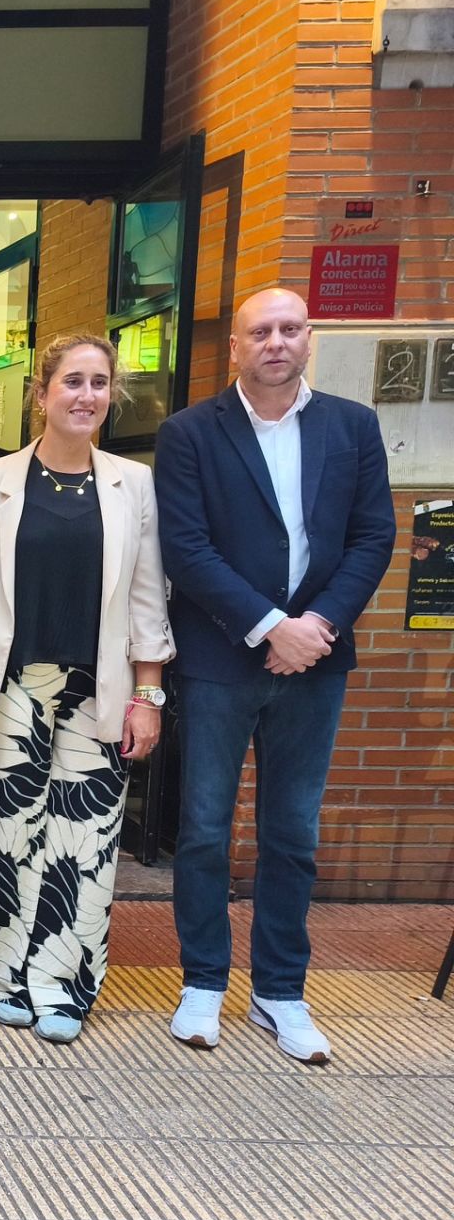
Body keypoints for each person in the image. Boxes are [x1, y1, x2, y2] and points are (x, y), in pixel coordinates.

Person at [155, 287, 395, 1064]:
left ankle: (281, 991)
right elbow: (187, 549)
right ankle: (202, 982)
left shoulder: (352, 428)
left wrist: (315, 627)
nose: (276, 343)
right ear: (235, 346)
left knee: (292, 833)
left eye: (290, 330)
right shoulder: (191, 432)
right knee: (202, 830)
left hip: (317, 661)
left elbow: (372, 538)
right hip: (224, 657)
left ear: (309, 339)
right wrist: (268, 626)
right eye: (261, 331)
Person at [0, 334, 173, 1043]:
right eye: (71, 381)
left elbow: (147, 597)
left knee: (83, 843)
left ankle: (65, 984)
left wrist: (149, 694)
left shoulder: (132, 483)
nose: (85, 395)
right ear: (40, 393)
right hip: (9, 685)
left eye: (98, 383)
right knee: (9, 837)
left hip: (97, 688)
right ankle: (4, 974)